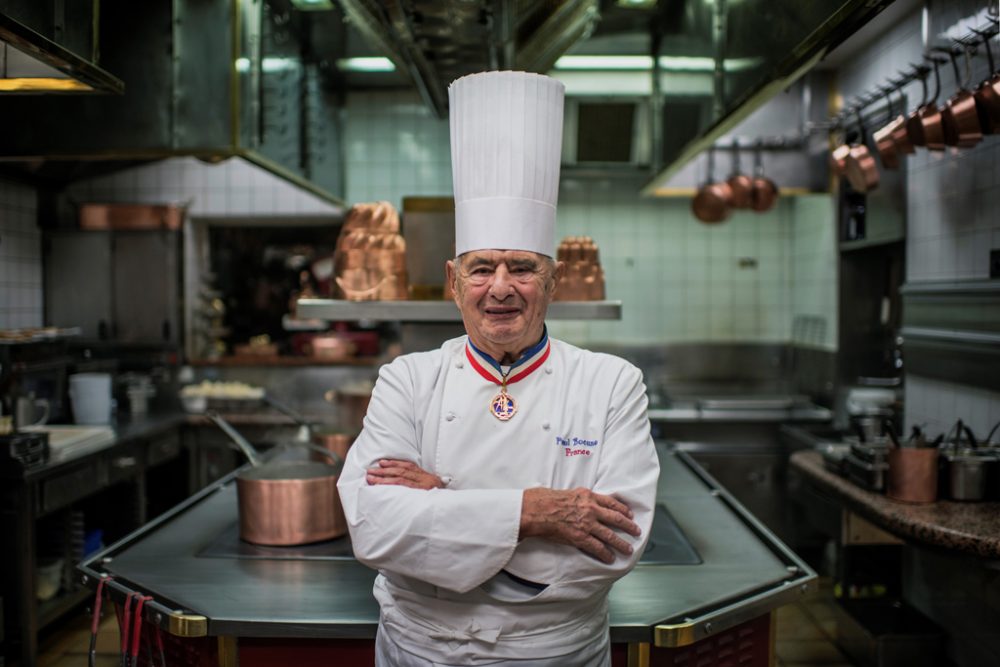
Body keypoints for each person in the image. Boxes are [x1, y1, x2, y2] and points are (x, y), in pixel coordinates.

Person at [337, 71, 660, 667]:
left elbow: (616, 545)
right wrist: (536, 513)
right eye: (482, 268)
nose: (501, 289)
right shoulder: (406, 379)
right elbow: (373, 528)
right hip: (421, 649)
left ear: (554, 281)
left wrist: (442, 507)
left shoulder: (612, 383)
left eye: (523, 268)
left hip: (554, 651)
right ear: (454, 282)